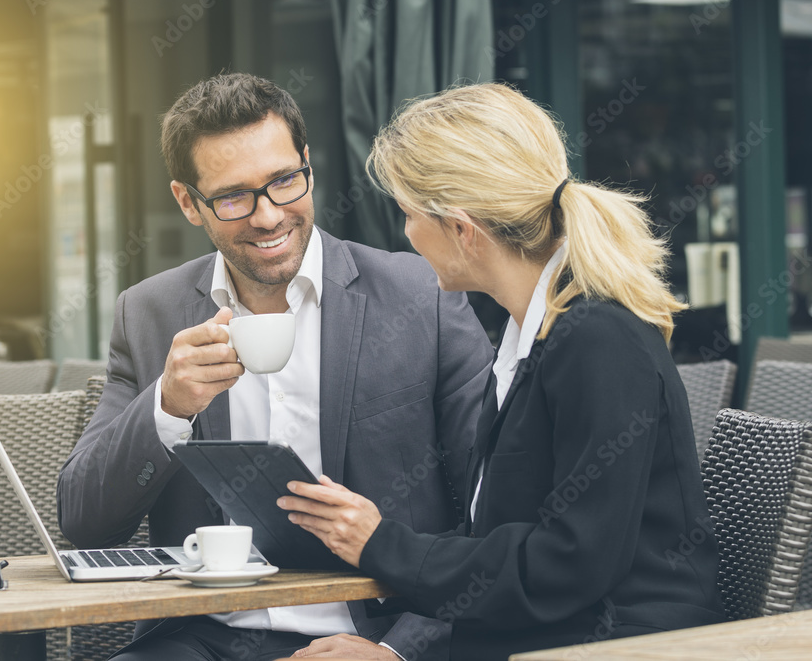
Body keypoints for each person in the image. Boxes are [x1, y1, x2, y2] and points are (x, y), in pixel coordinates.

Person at [278, 82, 726, 660]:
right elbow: (507, 544)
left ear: (462, 230)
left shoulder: (597, 340)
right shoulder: (532, 335)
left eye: (409, 215)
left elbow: (568, 564)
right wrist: (396, 651)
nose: (406, 234)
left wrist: (382, 544)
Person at [56, 73, 494, 661]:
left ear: (307, 166)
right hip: (200, 639)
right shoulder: (150, 312)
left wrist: (402, 651)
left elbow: (493, 515)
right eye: (233, 196)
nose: (267, 217)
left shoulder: (423, 296)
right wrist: (167, 404)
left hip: (375, 635)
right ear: (188, 202)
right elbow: (87, 523)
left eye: (284, 182)